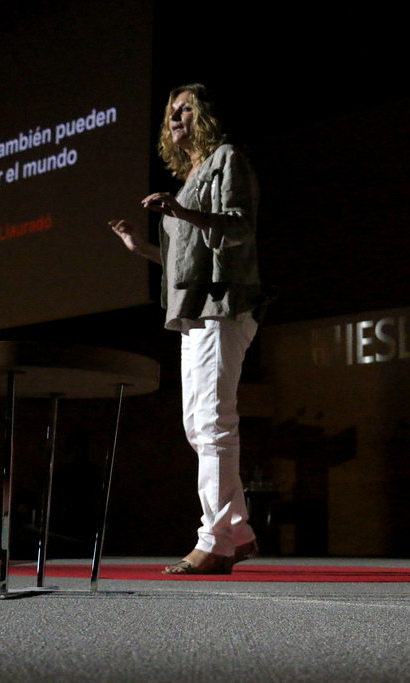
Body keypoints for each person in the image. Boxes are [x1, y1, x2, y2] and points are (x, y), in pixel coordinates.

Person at [110, 83, 263, 575]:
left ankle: (214, 540)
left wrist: (181, 213)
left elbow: (238, 226)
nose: (176, 119)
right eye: (171, 114)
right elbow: (186, 254)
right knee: (197, 427)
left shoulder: (226, 159)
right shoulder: (188, 178)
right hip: (191, 309)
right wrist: (143, 249)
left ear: (206, 116)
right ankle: (237, 533)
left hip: (222, 302)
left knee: (215, 421)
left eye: (186, 111)